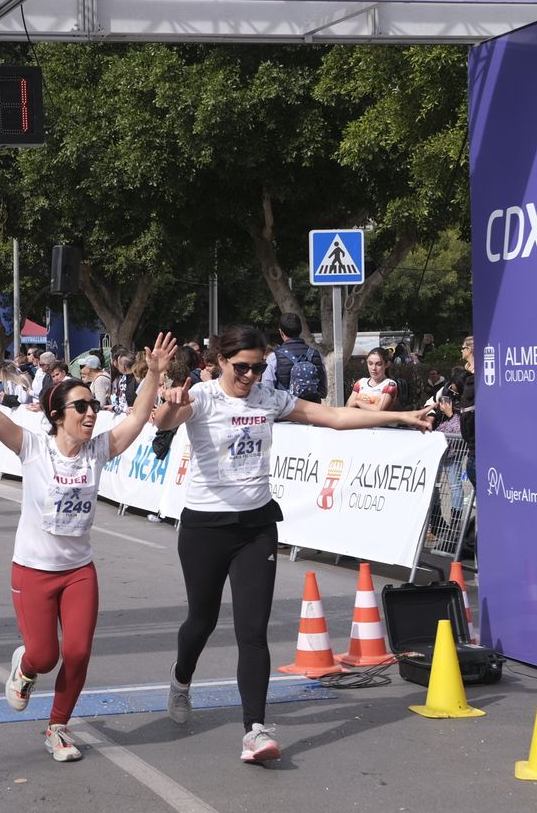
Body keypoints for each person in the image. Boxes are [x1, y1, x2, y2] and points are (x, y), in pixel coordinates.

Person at [153, 326, 432, 763]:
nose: (250, 375)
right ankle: (181, 678)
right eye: (242, 366)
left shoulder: (268, 397)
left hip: (256, 526)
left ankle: (255, 729)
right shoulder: (203, 396)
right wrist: (171, 406)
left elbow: (335, 417)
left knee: (252, 631)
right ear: (222, 361)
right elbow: (165, 421)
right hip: (205, 527)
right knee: (201, 622)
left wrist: (401, 416)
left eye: (258, 366)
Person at [0, 331, 176, 762]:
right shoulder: (33, 449)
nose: (91, 414)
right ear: (57, 414)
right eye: (81, 407)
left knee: (78, 651)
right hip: (33, 569)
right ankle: (25, 667)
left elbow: (137, 419)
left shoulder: (97, 450)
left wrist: (154, 375)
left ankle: (58, 727)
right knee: (45, 656)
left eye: (94, 406)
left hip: (79, 570)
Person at [271, 313, 327, 403]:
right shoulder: (316, 354)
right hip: (314, 412)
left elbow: (268, 390)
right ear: (300, 330)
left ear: (281, 332)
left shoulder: (274, 357)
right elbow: (323, 391)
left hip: (287, 412)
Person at [346, 347, 398, 411]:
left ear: (386, 364)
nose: (373, 368)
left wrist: (357, 402)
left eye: (378, 364)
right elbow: (347, 408)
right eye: (370, 363)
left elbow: (378, 410)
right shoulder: (361, 382)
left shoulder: (389, 385)